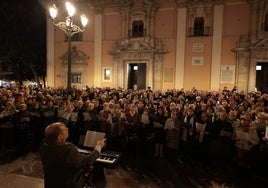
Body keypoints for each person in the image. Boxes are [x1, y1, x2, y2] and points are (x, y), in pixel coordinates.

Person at [40, 122, 106, 188]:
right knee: (99, 177)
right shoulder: (68, 149)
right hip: (68, 185)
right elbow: (88, 161)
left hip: (51, 184)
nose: (67, 128)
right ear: (59, 137)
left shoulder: (44, 145)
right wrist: (98, 146)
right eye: (65, 129)